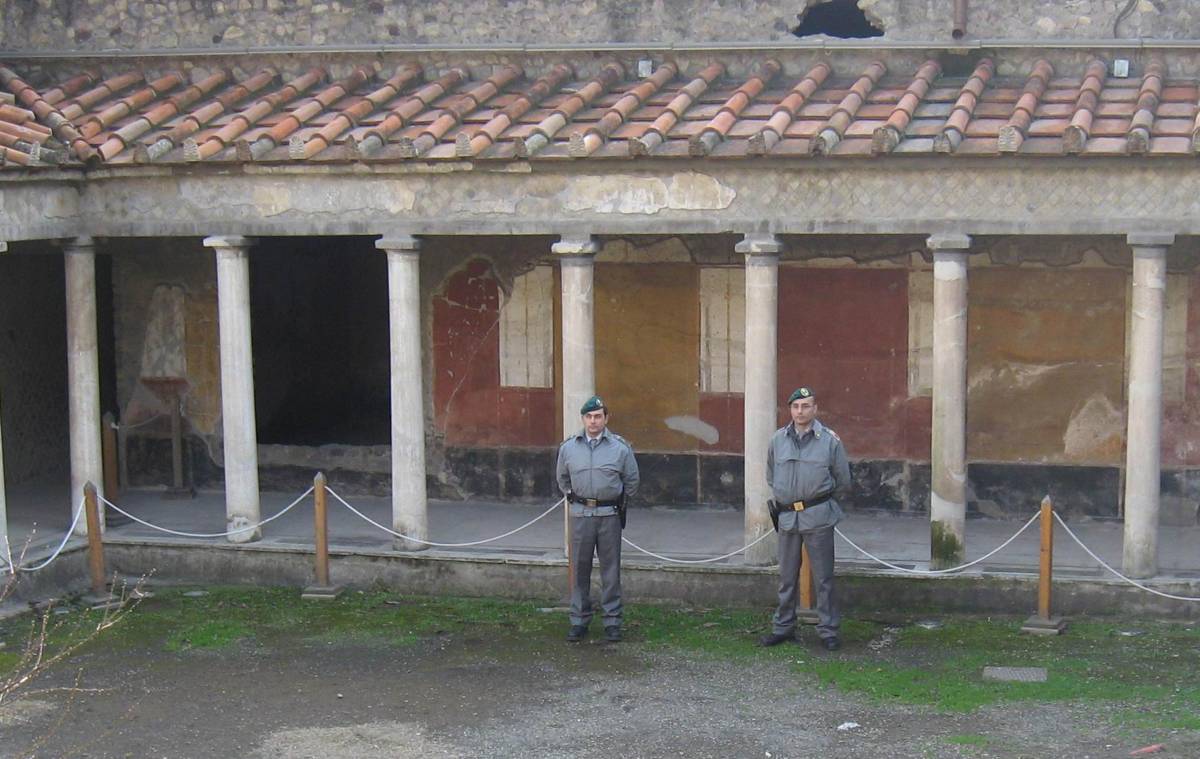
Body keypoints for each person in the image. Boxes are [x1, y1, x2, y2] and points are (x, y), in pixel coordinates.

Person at [759, 386, 852, 651]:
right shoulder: (778, 440)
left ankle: (828, 630)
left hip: (818, 516)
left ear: (815, 409)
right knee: (787, 577)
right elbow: (770, 474)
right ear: (790, 409)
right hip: (788, 517)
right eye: (796, 406)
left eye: (806, 406)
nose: (801, 411)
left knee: (823, 577)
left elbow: (843, 480)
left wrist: (816, 499)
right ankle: (783, 627)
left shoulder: (830, 441)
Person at [556, 395, 640, 643]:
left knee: (610, 571)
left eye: (598, 416)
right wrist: (575, 497)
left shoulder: (620, 448)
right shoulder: (569, 447)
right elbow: (562, 479)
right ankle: (579, 620)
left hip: (608, 516)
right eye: (589, 417)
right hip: (581, 515)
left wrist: (615, 501)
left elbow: (632, 481)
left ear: (606, 418)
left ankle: (612, 621)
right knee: (579, 570)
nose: (593, 421)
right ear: (583, 419)